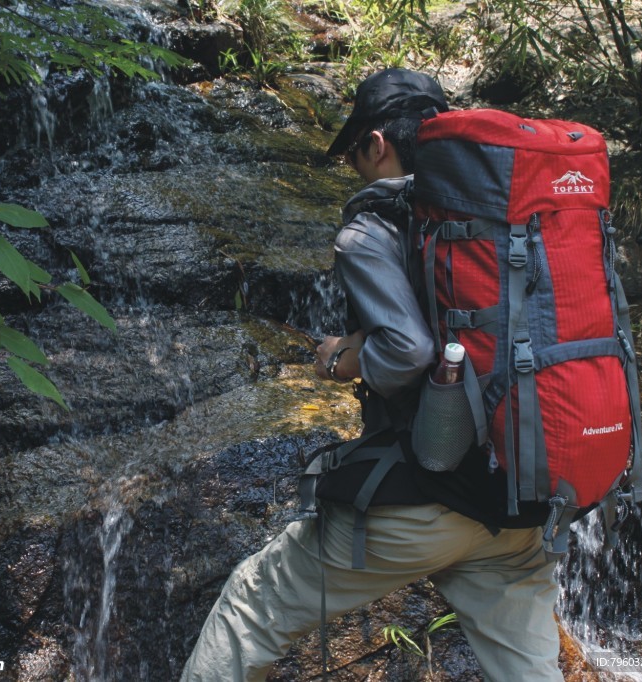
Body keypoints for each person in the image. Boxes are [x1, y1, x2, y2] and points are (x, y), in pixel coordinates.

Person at [180, 68, 564, 682]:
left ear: (377, 142)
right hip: (519, 499)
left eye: (355, 152)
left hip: (427, 500)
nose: (355, 169)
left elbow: (408, 350)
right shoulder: (506, 221)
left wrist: (341, 357)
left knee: (252, 604)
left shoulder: (369, 229)